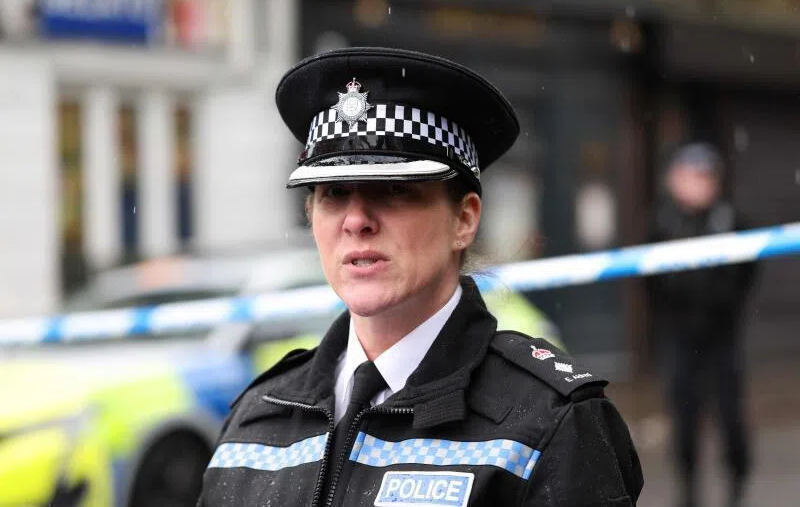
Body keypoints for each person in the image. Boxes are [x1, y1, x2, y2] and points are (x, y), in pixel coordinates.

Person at [196, 47, 643, 507]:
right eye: (333, 193)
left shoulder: (548, 425)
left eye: (393, 190)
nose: (356, 221)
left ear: (464, 219)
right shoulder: (255, 423)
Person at [647, 142, 758, 507]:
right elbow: (650, 282)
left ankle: (737, 487)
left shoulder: (730, 221)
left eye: (705, 177)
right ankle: (689, 492)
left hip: (722, 337)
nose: (698, 184)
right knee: (684, 417)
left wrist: (721, 305)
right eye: (690, 176)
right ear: (674, 180)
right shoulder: (662, 223)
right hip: (681, 337)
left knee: (730, 418)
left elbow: (747, 276)